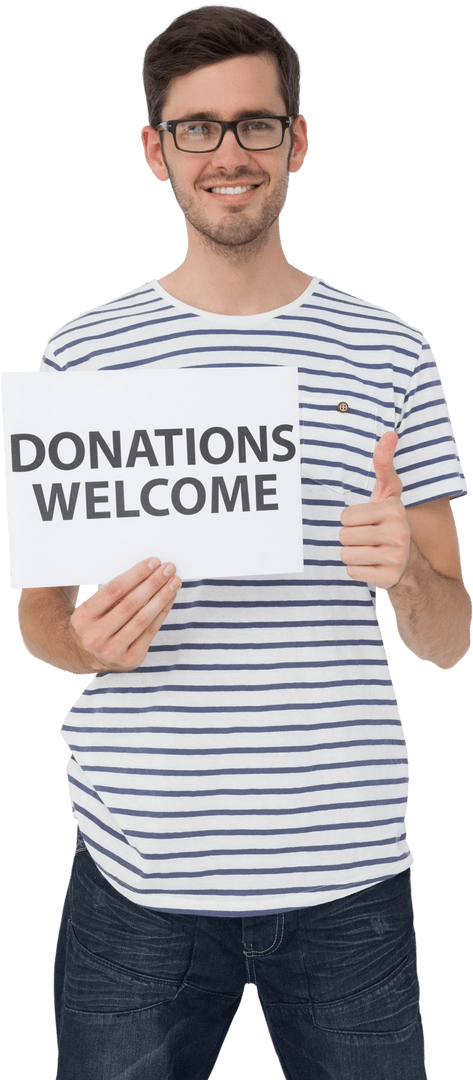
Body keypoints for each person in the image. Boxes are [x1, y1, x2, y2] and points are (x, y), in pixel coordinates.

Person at [17, 6, 470, 1079]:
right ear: (154, 152)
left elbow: (449, 636)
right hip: (138, 881)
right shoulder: (81, 355)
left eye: (255, 125)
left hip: (347, 882)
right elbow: (39, 620)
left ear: (297, 142)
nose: (227, 153)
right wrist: (88, 643)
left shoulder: (389, 350)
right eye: (196, 128)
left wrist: (407, 576)